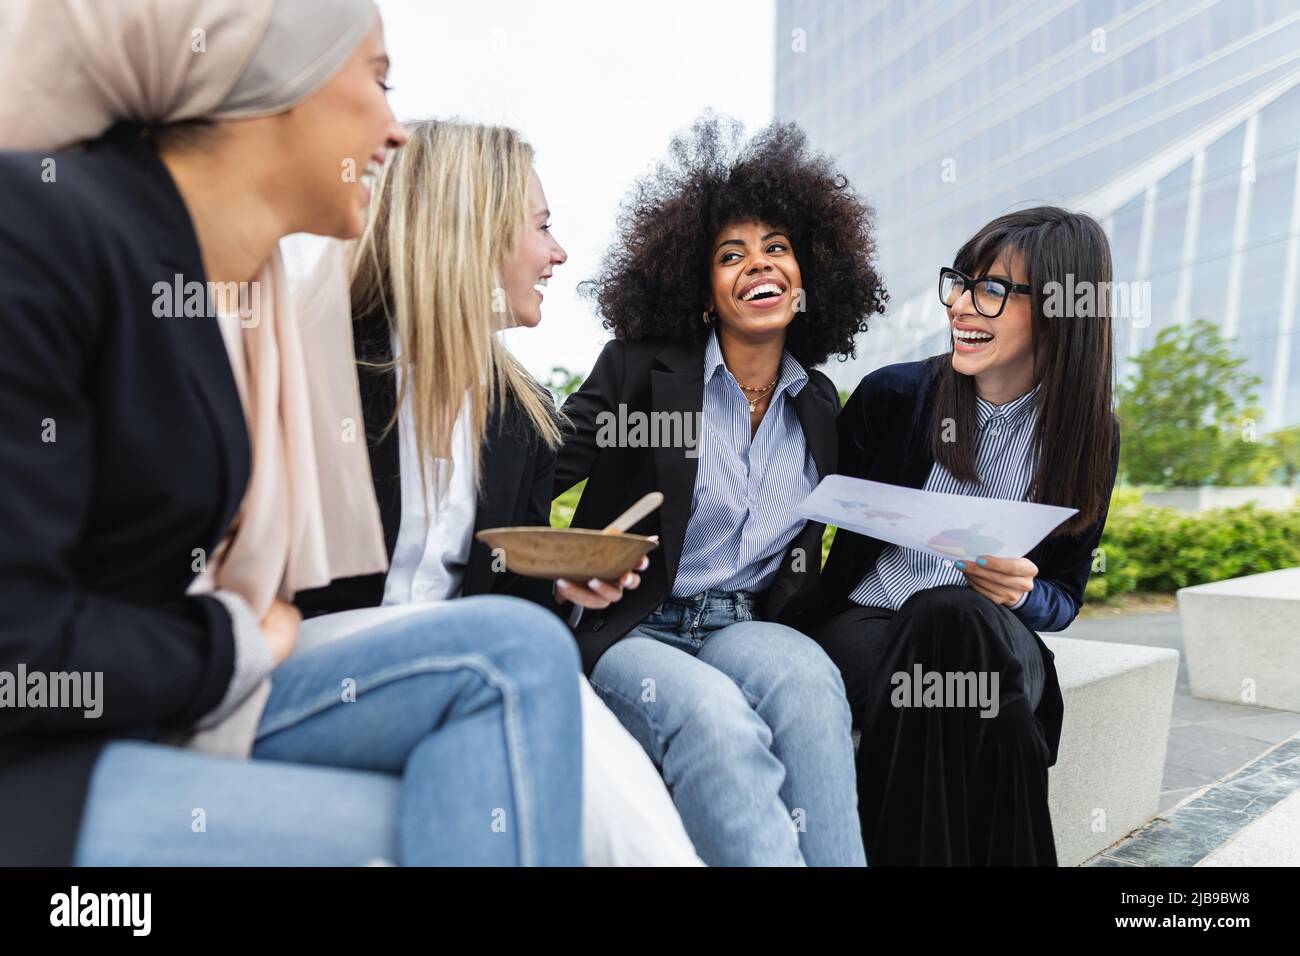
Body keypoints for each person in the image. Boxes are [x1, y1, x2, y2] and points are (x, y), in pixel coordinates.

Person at [0, 0, 583, 867]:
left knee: (495, 733)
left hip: (159, 707)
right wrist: (227, 642)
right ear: (276, 85)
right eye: (379, 81)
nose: (395, 134)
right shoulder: (41, 232)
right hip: (46, 767)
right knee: (482, 761)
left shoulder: (237, 300)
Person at [294, 119, 702, 866]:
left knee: (636, 831)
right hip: (320, 667)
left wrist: (567, 585)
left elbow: (512, 602)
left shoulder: (523, 418)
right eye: (543, 227)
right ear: (472, 228)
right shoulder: (317, 363)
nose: (559, 254)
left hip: (472, 673)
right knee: (521, 665)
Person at [555, 115, 888, 866]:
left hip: (744, 623)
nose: (758, 265)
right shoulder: (641, 369)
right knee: (715, 720)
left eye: (777, 249)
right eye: (730, 255)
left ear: (808, 277)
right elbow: (538, 471)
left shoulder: (819, 403)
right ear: (702, 290)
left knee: (809, 686)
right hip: (633, 628)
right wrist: (552, 571)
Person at [817, 207, 1120, 866]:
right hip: (874, 628)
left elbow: (1062, 602)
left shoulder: (1088, 434)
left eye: (990, 291)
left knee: (955, 612)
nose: (960, 305)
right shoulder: (894, 396)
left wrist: (1022, 595)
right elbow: (803, 512)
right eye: (960, 282)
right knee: (997, 711)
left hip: (999, 638)